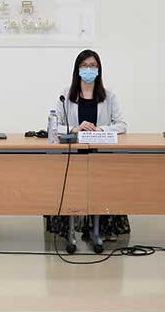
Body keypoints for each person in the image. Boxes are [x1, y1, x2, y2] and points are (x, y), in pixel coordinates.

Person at [53, 49, 128, 247]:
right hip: (73, 154)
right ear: (77, 69)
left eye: (93, 66)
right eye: (85, 66)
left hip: (100, 154)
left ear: (99, 69)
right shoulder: (65, 95)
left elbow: (122, 125)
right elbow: (54, 126)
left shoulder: (109, 96)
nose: (89, 69)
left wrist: (100, 129)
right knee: (72, 186)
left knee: (101, 186)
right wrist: (75, 128)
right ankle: (70, 230)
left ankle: (98, 229)